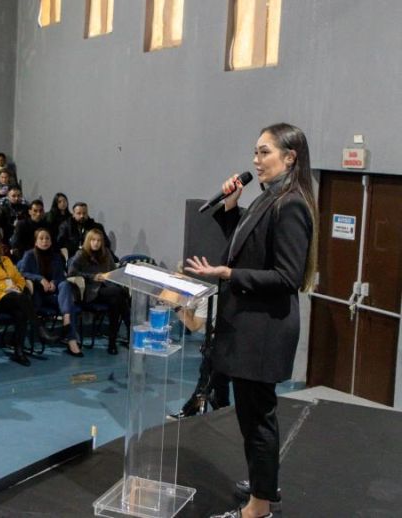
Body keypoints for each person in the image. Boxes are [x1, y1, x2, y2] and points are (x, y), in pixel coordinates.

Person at [185, 123, 317, 518]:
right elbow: (249, 246)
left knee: (258, 419)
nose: (255, 161)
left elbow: (287, 276)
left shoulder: (290, 203)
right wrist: (230, 208)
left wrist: (228, 275)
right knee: (253, 416)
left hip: (263, 331)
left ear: (289, 157)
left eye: (264, 153)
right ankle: (263, 483)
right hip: (251, 327)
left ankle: (258, 508)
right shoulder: (267, 198)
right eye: (255, 153)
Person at [0, 232, 58, 366]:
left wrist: (16, 286)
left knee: (21, 312)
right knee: (21, 299)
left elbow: (19, 277)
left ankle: (19, 352)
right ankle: (39, 328)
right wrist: (7, 287)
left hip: (14, 296)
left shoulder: (6, 260)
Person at [18, 229, 82, 356]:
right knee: (70, 305)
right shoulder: (29, 255)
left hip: (53, 295)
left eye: (47, 238)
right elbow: (22, 273)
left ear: (51, 241)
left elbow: (61, 277)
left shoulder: (56, 256)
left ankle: (68, 326)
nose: (44, 241)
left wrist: (54, 282)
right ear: (36, 242)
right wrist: (40, 279)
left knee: (64, 285)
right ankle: (70, 333)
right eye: (41, 238)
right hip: (37, 295)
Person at [68, 228, 129, 355]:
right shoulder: (81, 254)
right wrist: (93, 276)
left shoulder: (106, 253)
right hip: (91, 291)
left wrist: (111, 276)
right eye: (93, 240)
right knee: (120, 293)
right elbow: (72, 272)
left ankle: (112, 343)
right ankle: (130, 330)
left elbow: (113, 271)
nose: (96, 243)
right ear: (88, 241)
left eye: (99, 241)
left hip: (108, 289)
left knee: (116, 301)